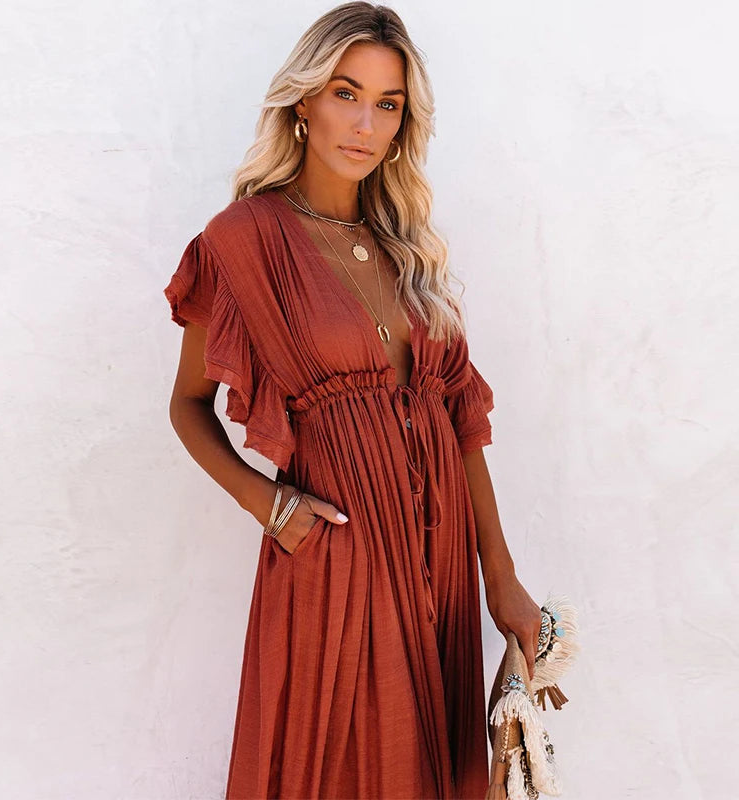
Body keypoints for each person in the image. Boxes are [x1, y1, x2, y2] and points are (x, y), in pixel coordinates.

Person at [163, 3, 542, 797]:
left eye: (388, 103)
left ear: (404, 123)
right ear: (304, 101)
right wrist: (268, 505)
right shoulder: (244, 239)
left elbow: (460, 423)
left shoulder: (408, 249)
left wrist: (499, 574)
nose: (365, 124)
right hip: (339, 556)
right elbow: (188, 405)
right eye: (346, 93)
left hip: (441, 562)